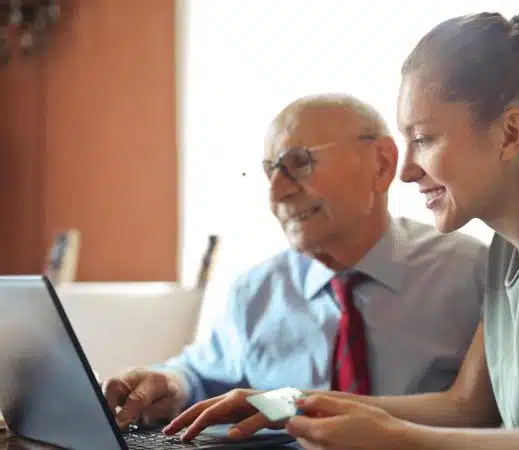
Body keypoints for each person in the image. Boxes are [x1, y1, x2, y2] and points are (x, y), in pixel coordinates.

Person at [162, 6, 519, 450]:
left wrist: (398, 441)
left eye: (425, 139)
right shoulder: (509, 246)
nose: (405, 170)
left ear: (509, 135)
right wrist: (283, 403)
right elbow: (468, 406)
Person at [101, 93, 487, 430]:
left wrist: (285, 405)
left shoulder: (471, 273)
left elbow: (487, 413)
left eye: (298, 163)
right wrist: (170, 384)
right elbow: (200, 375)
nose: (277, 192)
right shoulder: (255, 291)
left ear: (382, 164)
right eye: (271, 171)